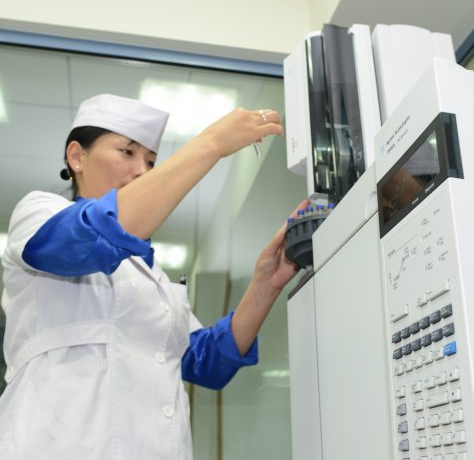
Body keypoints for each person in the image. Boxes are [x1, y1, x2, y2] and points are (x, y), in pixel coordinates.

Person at [0, 94, 305, 460]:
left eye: (150, 161)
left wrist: (265, 283)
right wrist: (210, 145)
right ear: (77, 156)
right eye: (126, 152)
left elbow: (207, 360)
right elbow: (85, 238)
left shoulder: (154, 280)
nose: (142, 170)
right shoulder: (39, 213)